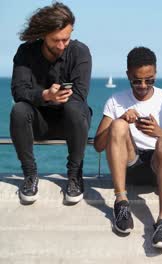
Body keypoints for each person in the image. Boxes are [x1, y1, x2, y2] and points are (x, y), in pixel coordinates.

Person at [93, 47, 162, 249]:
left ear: (156, 74)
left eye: (149, 80)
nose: (143, 85)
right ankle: (121, 203)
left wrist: (159, 132)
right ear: (128, 75)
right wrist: (121, 119)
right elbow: (99, 146)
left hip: (159, 168)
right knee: (117, 126)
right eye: (137, 80)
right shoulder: (115, 101)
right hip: (129, 166)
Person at [10, 2, 92, 204]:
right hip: (38, 122)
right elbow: (18, 91)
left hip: (71, 122)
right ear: (43, 34)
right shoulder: (25, 52)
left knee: (76, 107)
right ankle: (30, 176)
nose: (62, 45)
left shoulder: (80, 52)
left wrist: (57, 98)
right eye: (57, 40)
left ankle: (74, 176)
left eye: (66, 39)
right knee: (19, 110)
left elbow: (80, 94)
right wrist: (46, 96)